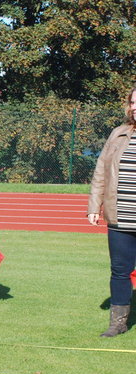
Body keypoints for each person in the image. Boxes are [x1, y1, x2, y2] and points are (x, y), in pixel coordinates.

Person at [88, 85, 136, 337]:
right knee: (119, 270)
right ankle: (118, 322)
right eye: (133, 102)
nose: (135, 107)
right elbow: (101, 171)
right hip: (121, 217)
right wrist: (94, 206)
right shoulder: (118, 133)